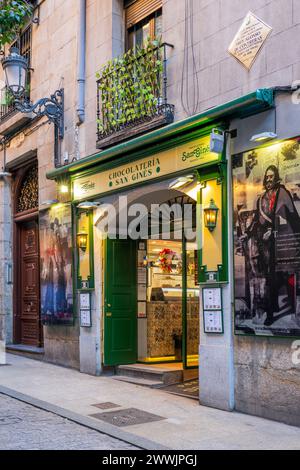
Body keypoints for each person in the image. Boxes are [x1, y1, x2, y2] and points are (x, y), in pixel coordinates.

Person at [240, 165, 300, 326]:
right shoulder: (261, 198)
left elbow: (292, 216)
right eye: (267, 176)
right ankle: (270, 308)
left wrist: (273, 230)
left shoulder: (282, 193)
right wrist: (248, 233)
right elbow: (256, 220)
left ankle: (272, 314)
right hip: (261, 243)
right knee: (266, 277)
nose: (268, 179)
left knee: (275, 277)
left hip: (277, 243)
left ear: (276, 176)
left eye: (271, 176)